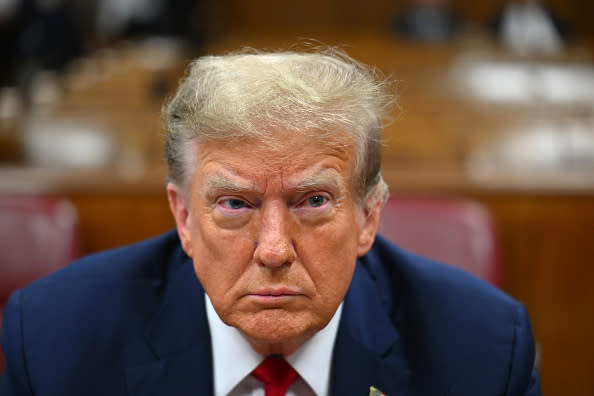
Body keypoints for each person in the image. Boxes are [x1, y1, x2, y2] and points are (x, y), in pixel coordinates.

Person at [0, 47, 542, 395]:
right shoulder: (55, 342)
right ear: (184, 217)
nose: (274, 249)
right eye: (235, 204)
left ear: (368, 217)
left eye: (312, 201)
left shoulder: (483, 352)